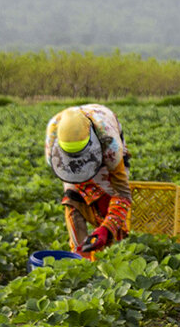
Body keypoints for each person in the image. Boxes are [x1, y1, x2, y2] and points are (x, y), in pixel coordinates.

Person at [44, 104, 132, 259]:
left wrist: (106, 228)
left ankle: (109, 253)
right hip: (68, 155)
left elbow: (122, 193)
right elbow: (71, 184)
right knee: (73, 199)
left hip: (104, 148)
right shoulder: (53, 135)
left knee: (108, 201)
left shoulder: (110, 143)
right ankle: (80, 256)